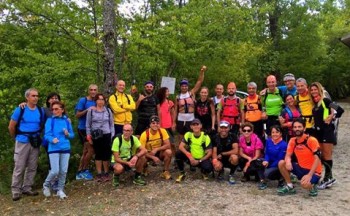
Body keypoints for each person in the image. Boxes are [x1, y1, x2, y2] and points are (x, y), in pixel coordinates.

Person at [8, 88, 44, 201]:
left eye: (37, 96)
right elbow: (11, 126)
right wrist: (16, 137)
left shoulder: (40, 110)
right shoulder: (20, 109)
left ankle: (27, 188)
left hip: (35, 141)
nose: (35, 98)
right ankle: (15, 190)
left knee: (32, 166)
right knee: (19, 166)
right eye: (33, 96)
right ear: (27, 97)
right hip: (22, 141)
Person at [277, 118, 322, 197]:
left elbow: (317, 158)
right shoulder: (292, 140)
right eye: (295, 127)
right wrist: (288, 161)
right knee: (281, 163)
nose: (297, 129)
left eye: (299, 127)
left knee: (304, 185)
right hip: (301, 168)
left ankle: (312, 186)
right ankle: (290, 186)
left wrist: (310, 175)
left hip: (314, 171)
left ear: (304, 128)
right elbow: (288, 155)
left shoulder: (311, 140)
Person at [43, 101, 74, 199]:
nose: (54, 111)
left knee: (63, 171)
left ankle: (60, 190)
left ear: (62, 110)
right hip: (53, 148)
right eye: (53, 109)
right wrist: (52, 139)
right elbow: (46, 134)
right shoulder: (50, 121)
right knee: (55, 171)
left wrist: (67, 134)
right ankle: (46, 185)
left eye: (56, 109)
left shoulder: (66, 121)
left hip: (65, 147)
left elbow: (72, 135)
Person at [310, 82, 337, 189]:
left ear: (320, 90)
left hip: (327, 131)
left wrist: (332, 116)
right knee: (321, 155)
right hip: (318, 132)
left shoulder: (326, 100)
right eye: (311, 90)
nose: (313, 91)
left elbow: (339, 110)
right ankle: (325, 177)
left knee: (327, 154)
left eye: (315, 89)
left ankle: (329, 177)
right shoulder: (315, 103)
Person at [173, 65, 206, 145]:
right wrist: (173, 122)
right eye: (182, 86)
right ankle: (180, 153)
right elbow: (175, 110)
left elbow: (199, 82)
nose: (184, 87)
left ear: (187, 87)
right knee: (180, 137)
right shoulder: (178, 97)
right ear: (180, 87)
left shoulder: (191, 93)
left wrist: (202, 72)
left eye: (185, 86)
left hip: (190, 119)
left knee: (190, 137)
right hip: (181, 119)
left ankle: (190, 152)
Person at [86, 93, 115, 182]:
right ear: (96, 101)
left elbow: (111, 124)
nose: (101, 101)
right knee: (98, 154)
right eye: (99, 99)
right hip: (96, 135)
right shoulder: (91, 111)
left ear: (105, 101)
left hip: (107, 134)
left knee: (106, 154)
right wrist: (89, 136)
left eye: (102, 99)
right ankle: (99, 173)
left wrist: (112, 135)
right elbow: (88, 125)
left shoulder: (108, 111)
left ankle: (106, 173)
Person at [75, 84, 98, 180]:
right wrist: (87, 110)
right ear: (88, 91)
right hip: (83, 129)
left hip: (93, 129)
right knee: (91, 150)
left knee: (85, 151)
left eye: (95, 90)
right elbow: (77, 115)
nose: (93, 91)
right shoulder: (83, 100)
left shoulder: (97, 101)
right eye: (91, 90)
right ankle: (83, 170)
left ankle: (80, 171)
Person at [139, 115, 172, 180]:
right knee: (142, 157)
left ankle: (165, 171)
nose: (155, 125)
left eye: (157, 123)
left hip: (159, 152)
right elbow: (141, 151)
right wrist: (152, 157)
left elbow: (168, 145)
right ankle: (144, 168)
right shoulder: (144, 134)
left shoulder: (162, 131)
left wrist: (157, 149)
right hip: (148, 153)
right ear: (150, 124)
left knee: (169, 152)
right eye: (153, 123)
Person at [258, 125, 287, 190]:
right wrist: (266, 161)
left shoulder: (284, 144)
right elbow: (267, 153)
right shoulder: (268, 141)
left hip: (277, 164)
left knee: (267, 173)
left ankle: (281, 179)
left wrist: (269, 166)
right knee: (258, 162)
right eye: (273, 132)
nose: (274, 134)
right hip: (269, 161)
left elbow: (280, 159)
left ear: (281, 133)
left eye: (277, 132)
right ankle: (263, 181)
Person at [156, 87, 175, 155]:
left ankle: (174, 158)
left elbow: (173, 114)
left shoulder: (170, 102)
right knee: (161, 143)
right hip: (160, 126)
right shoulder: (158, 102)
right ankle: (161, 157)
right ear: (162, 93)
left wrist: (174, 123)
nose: (168, 93)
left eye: (168, 91)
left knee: (172, 143)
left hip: (169, 125)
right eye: (167, 91)